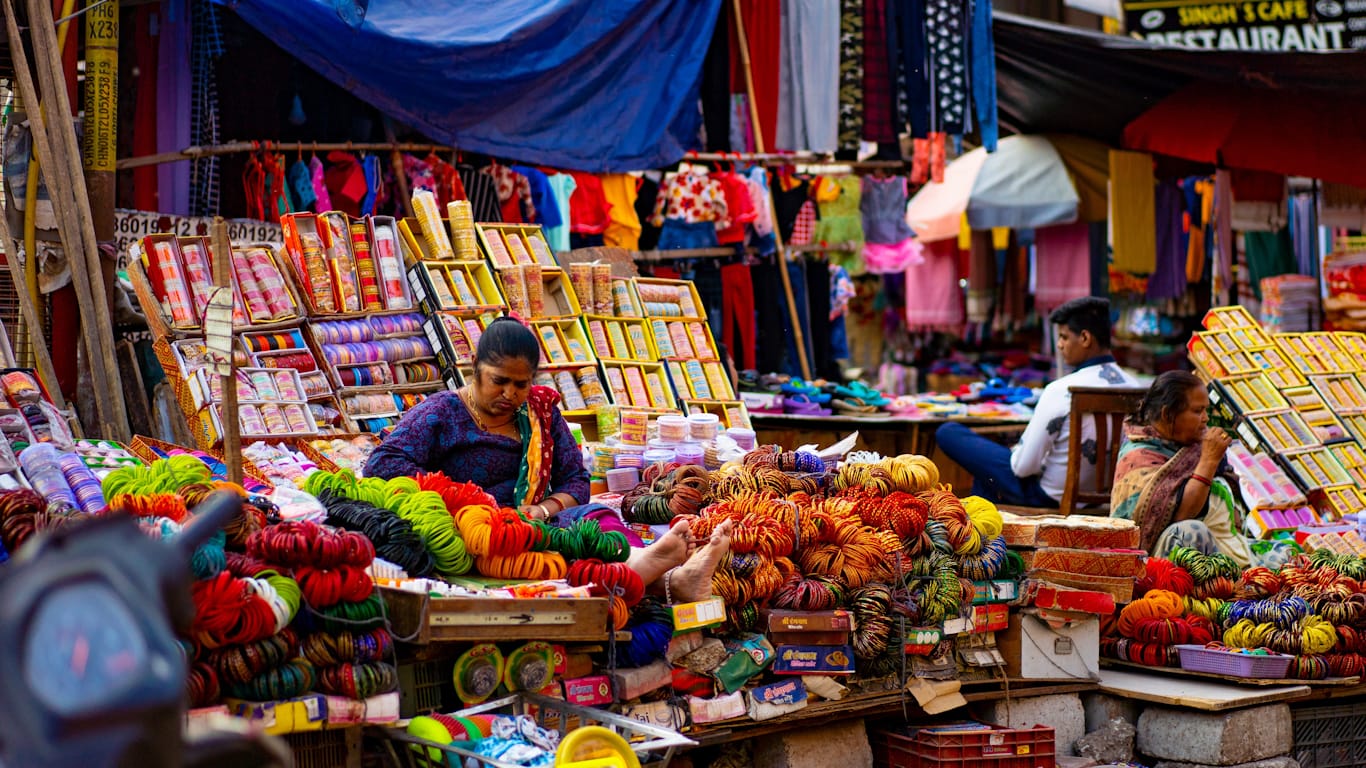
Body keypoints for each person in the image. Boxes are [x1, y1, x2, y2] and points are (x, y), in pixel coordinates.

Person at [366, 317, 731, 599]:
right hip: (470, 534)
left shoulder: (541, 412)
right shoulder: (440, 413)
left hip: (532, 524)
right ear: (473, 367)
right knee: (554, 555)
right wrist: (463, 501)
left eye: (520, 384)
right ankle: (661, 575)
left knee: (592, 519)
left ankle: (656, 569)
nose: (510, 393)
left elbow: (576, 481)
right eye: (499, 381)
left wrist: (540, 511)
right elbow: (382, 466)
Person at [935, 297, 1139, 507]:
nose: (1059, 345)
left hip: (1049, 498)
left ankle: (981, 532)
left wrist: (1017, 452)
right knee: (987, 474)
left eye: (1063, 337)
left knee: (949, 432)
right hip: (1104, 498)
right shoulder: (1136, 388)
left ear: (1085, 338)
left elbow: (1023, 467)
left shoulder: (1062, 390)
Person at [1110, 371, 1289, 568]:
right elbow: (1181, 514)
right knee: (1190, 532)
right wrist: (1209, 460)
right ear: (1167, 414)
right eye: (1197, 411)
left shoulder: (1192, 446)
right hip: (1171, 561)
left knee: (1287, 553)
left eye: (1205, 411)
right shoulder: (1139, 456)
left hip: (1224, 548)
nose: (1205, 419)